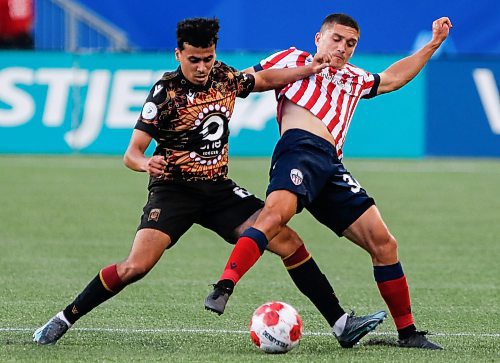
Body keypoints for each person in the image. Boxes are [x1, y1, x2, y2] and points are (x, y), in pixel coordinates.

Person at [33, 17, 386, 348]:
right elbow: (132, 153)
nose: (202, 68)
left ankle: (341, 324)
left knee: (290, 242)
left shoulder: (223, 77)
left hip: (218, 190)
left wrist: (306, 70)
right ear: (178, 55)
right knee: (135, 266)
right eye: (193, 60)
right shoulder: (164, 92)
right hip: (174, 190)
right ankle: (65, 317)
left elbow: (264, 80)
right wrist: (146, 163)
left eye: (207, 58)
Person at [205, 14, 452, 350]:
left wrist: (433, 44)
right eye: (336, 39)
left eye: (350, 43)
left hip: (332, 168)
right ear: (318, 37)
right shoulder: (293, 58)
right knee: (275, 217)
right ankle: (224, 285)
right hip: (299, 150)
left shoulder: (355, 78)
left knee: (384, 244)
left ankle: (408, 333)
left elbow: (393, 78)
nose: (343, 48)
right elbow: (249, 82)